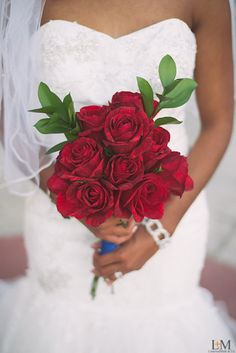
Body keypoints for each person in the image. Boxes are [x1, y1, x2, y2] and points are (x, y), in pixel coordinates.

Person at [0, 0, 235, 352]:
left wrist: (158, 231)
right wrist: (75, 199)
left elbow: (218, 123)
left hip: (171, 211)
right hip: (60, 215)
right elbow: (10, 116)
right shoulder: (22, 4)